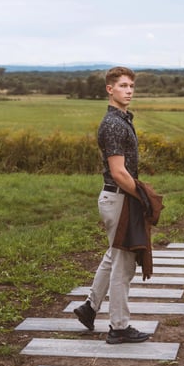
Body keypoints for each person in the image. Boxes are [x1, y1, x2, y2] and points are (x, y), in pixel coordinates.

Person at [74, 66, 150, 344]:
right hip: (119, 196)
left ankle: (89, 307)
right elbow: (118, 170)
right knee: (123, 263)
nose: (129, 90)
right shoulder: (115, 125)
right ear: (110, 89)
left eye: (131, 86)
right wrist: (142, 196)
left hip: (117, 196)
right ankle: (119, 326)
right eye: (123, 86)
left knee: (114, 255)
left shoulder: (121, 120)